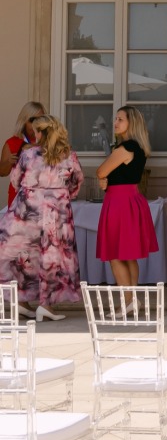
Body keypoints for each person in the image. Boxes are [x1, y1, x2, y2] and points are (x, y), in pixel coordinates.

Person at [0, 114, 83, 320]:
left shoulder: (28, 155)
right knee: (52, 257)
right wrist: (58, 195)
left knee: (23, 255)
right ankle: (44, 305)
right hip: (57, 212)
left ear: (39, 132)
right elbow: (76, 183)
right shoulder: (69, 155)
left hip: (27, 210)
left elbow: (15, 180)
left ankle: (20, 299)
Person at [96, 104, 158, 293]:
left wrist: (104, 179)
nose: (115, 122)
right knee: (129, 255)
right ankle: (132, 300)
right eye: (115, 118)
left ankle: (128, 301)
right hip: (131, 200)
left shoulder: (124, 148)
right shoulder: (138, 148)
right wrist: (106, 181)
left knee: (115, 255)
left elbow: (101, 171)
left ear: (132, 123)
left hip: (119, 203)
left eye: (120, 119)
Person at [0, 102, 45, 210]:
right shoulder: (12, 143)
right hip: (18, 201)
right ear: (24, 121)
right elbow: (2, 172)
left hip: (43, 200)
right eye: (32, 120)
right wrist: (9, 162)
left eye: (41, 120)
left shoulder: (48, 142)